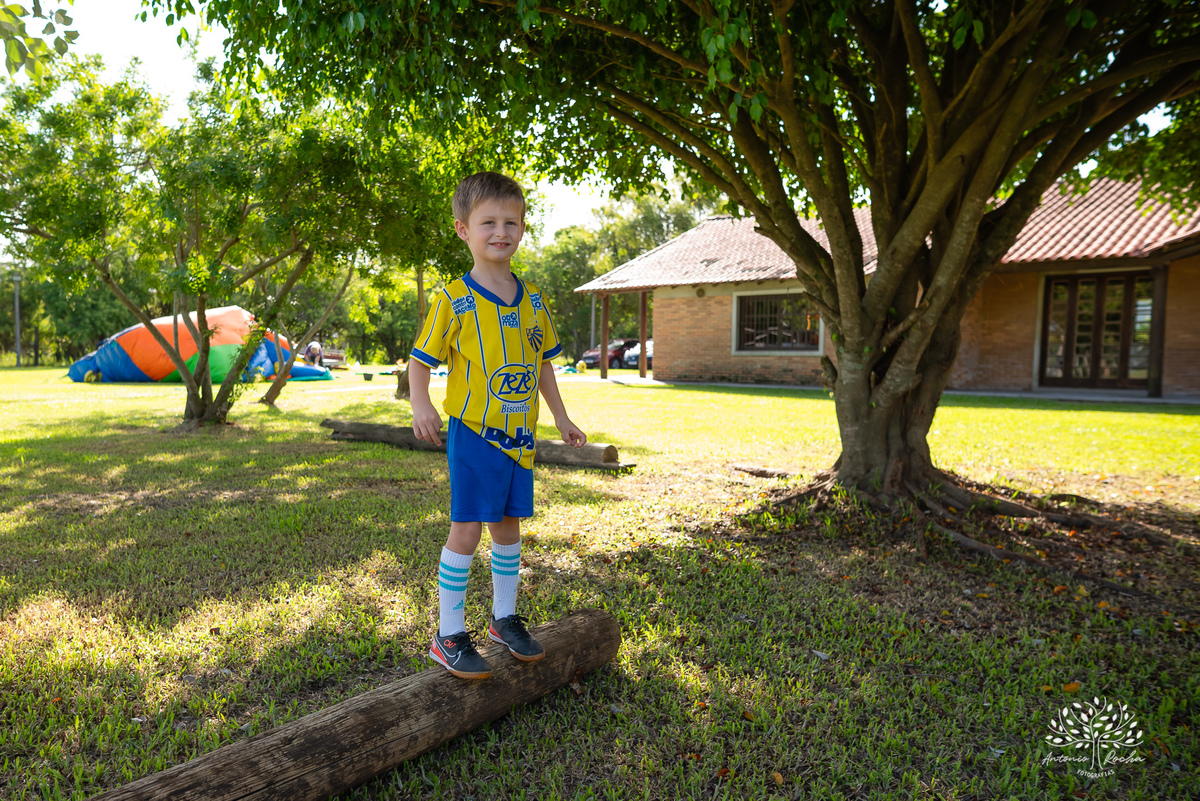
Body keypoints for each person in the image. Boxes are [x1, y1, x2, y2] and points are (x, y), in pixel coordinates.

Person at [408, 172, 587, 680]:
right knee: (467, 529)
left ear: (523, 228)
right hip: (473, 432)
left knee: (508, 527)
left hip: (520, 436)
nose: (501, 232)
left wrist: (560, 416)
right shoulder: (453, 299)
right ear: (463, 229)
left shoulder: (533, 300)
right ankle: (448, 635)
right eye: (488, 222)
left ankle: (503, 619)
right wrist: (421, 404)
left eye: (511, 222)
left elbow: (544, 363)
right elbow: (419, 361)